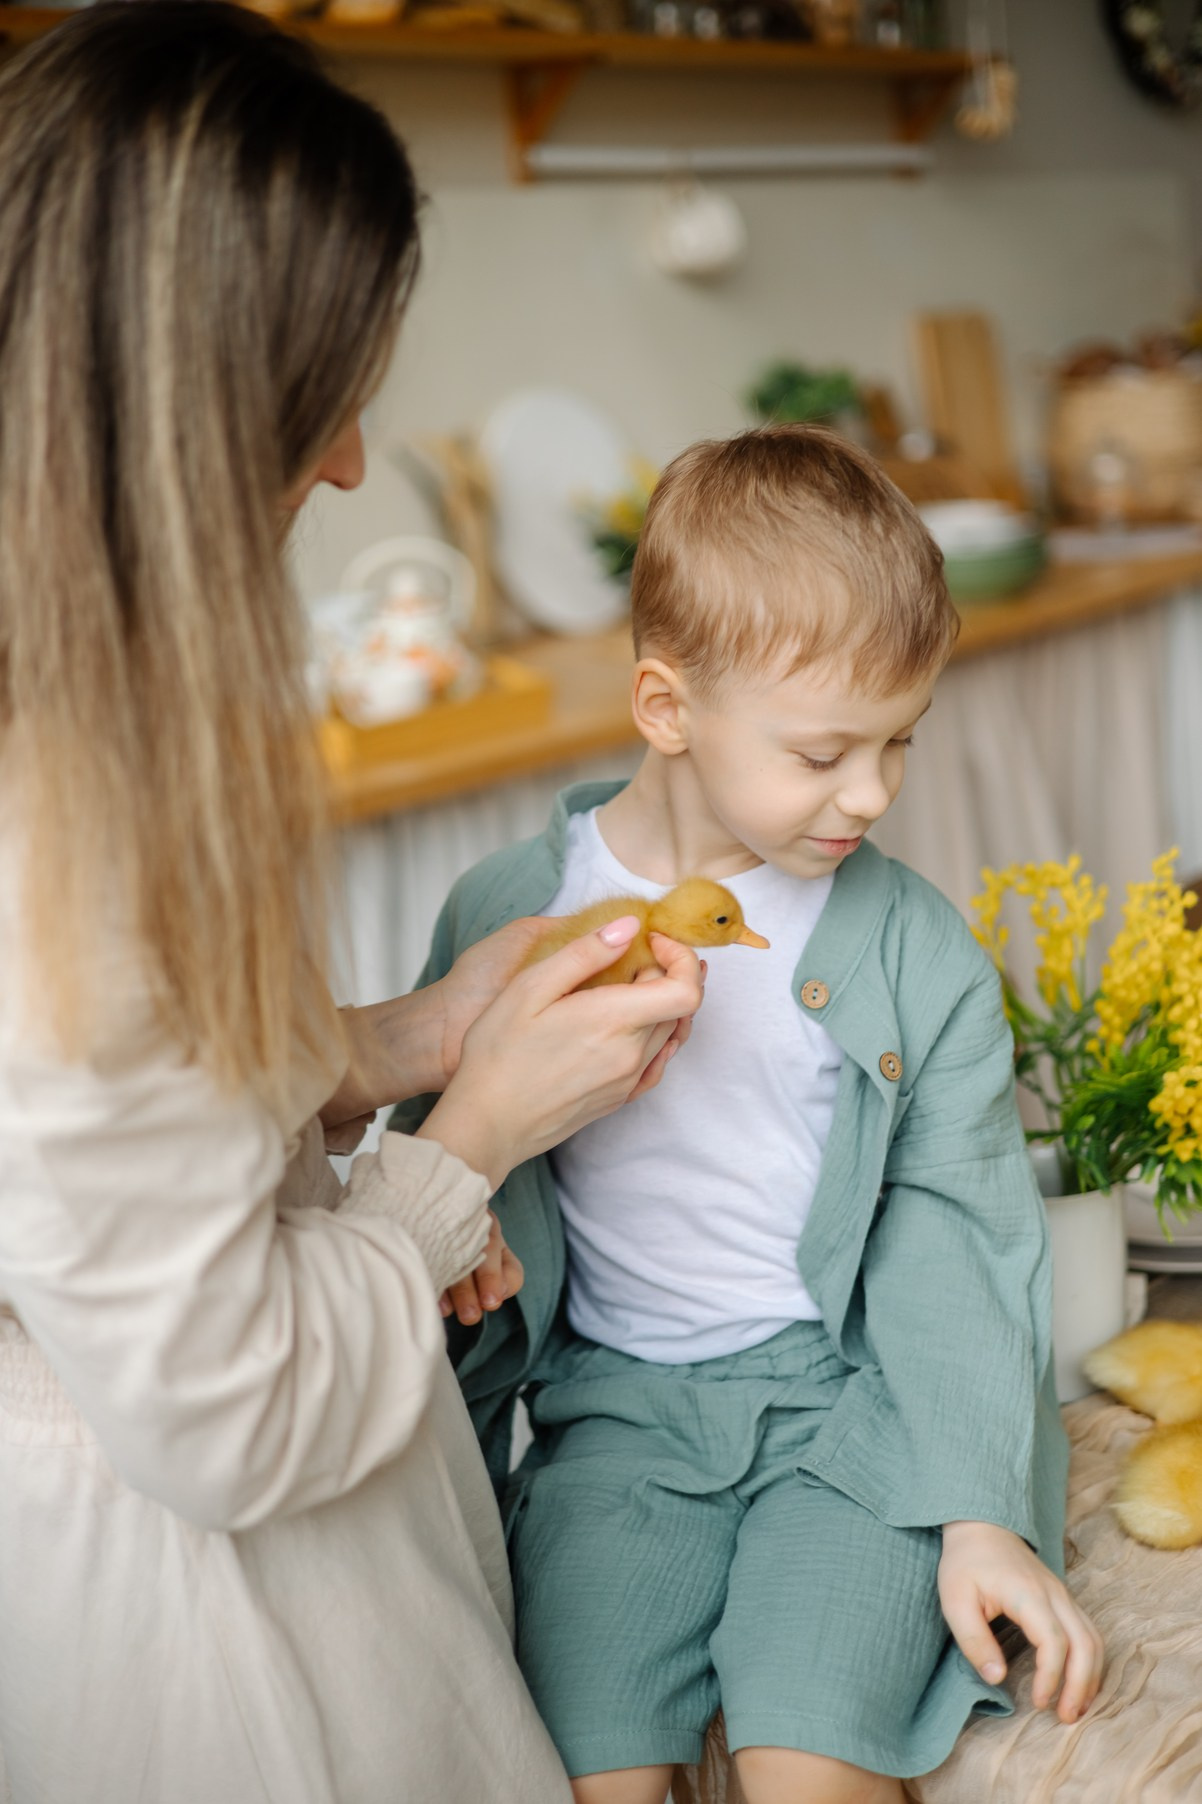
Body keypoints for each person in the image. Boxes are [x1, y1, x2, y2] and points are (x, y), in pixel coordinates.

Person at [0, 8, 704, 1802]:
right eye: (324, 395)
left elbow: (101, 1127)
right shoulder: (60, 841)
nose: (349, 465)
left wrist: (390, 1038)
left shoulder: (83, 728)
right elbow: (225, 1411)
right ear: (184, 411)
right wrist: (465, 1138)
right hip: (207, 1638)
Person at [392, 426, 1106, 1804]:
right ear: (666, 710)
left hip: (847, 1418)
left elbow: (957, 1228)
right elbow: (444, 1191)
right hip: (613, 1422)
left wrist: (976, 1508)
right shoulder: (504, 918)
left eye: (901, 741)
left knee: (807, 1770)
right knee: (594, 1767)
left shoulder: (914, 949)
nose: (873, 794)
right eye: (826, 751)